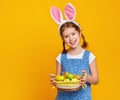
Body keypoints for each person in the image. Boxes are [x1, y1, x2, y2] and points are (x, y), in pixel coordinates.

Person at [50, 3, 99, 100]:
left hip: (83, 97)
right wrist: (54, 80)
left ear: (79, 33)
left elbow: (96, 80)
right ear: (63, 39)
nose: (71, 38)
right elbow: (58, 79)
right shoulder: (60, 57)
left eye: (73, 34)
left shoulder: (89, 56)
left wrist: (87, 78)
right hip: (63, 98)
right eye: (66, 36)